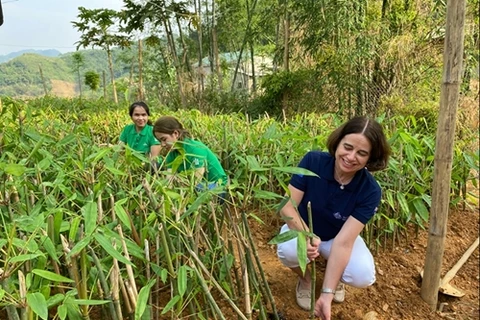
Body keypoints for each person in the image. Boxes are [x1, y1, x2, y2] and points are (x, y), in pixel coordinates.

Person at [276, 116, 390, 320]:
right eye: (347, 147)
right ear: (338, 142)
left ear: (370, 158)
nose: (351, 156)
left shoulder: (370, 190)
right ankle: (306, 280)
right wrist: (305, 234)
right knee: (289, 250)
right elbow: (287, 207)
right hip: (302, 229)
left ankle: (334, 281)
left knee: (362, 274)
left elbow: (344, 243)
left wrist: (326, 295)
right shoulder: (313, 162)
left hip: (337, 239)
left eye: (362, 153)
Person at [152, 116, 228, 190]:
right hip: (193, 186)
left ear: (176, 133)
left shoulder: (195, 149)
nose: (162, 144)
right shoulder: (171, 153)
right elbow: (169, 181)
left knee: (198, 188)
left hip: (217, 186)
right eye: (160, 141)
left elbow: (195, 181)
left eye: (164, 139)